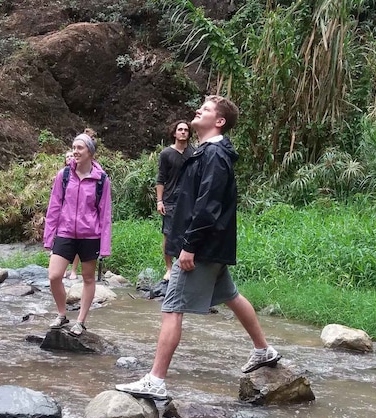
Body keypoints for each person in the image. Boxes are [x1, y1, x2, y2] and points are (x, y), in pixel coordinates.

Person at [116, 96, 281, 400]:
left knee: (171, 308)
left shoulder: (215, 154)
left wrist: (188, 247)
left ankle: (155, 381)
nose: (197, 111)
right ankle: (264, 350)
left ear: (219, 121)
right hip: (211, 246)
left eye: (205, 110)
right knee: (230, 295)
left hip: (200, 247)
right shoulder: (208, 151)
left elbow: (208, 206)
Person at [43, 130, 112, 336]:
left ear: (90, 153)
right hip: (65, 232)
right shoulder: (63, 175)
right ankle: (62, 314)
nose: (75, 152)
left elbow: (105, 213)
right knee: (54, 276)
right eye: (73, 148)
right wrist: (49, 237)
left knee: (88, 278)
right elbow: (54, 206)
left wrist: (105, 246)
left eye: (79, 148)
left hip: (90, 235)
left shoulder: (101, 180)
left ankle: (80, 321)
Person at [156, 120, 193, 282]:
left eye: (186, 130)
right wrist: (159, 201)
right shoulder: (166, 154)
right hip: (170, 200)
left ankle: (185, 266)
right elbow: (160, 179)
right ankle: (169, 268)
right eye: (180, 129)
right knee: (168, 234)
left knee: (188, 234)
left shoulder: (194, 152)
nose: (183, 132)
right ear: (174, 133)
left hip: (190, 200)